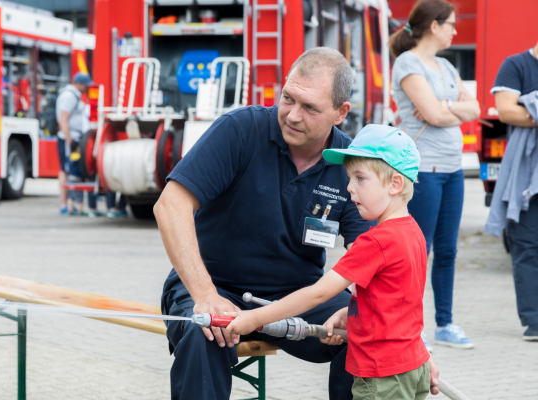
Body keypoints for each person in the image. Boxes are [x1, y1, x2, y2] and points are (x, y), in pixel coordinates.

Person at [154, 47, 440, 400]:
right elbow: (170, 205)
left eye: (310, 108)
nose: (291, 115)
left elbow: (388, 271)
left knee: (361, 333)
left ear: (340, 113)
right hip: (215, 285)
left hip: (298, 294)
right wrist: (205, 295)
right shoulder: (239, 130)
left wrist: (412, 353)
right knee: (205, 335)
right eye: (288, 98)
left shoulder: (355, 167)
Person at [226, 124, 435, 400]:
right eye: (349, 178)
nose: (349, 188)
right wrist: (352, 313)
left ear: (395, 184)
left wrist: (251, 318)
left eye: (360, 178)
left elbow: (319, 293)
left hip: (381, 375)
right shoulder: (413, 232)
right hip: (412, 364)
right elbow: (396, 300)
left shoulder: (375, 242)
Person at [389, 0, 480, 350]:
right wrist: (445, 109)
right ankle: (413, 326)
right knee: (418, 250)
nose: (455, 30)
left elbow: (473, 107)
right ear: (433, 26)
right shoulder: (407, 63)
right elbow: (434, 115)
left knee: (447, 250)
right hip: (423, 169)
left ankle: (445, 323)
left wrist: (443, 108)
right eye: (452, 24)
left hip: (453, 168)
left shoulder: (444, 65)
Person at [484, 39, 538, 341]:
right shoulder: (516, 65)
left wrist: (530, 105)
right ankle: (534, 321)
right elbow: (506, 110)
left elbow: (520, 110)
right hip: (526, 175)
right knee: (526, 245)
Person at [56, 72, 92, 215]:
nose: (87, 88)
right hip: (68, 139)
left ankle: (69, 204)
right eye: (86, 85)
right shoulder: (69, 96)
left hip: (72, 137)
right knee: (66, 170)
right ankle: (65, 205)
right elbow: (63, 119)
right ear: (79, 84)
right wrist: (69, 140)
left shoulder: (73, 95)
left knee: (70, 170)